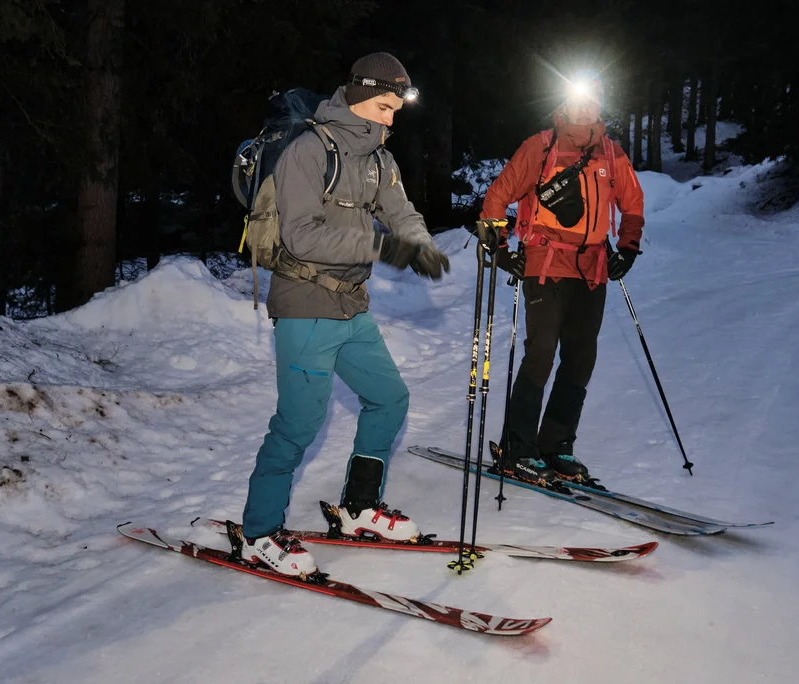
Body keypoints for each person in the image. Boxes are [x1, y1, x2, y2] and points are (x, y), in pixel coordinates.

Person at [240, 53, 450, 577]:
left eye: (396, 109)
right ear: (359, 95)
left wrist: (418, 244)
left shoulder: (379, 158)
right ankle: (258, 534)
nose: (391, 118)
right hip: (306, 304)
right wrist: (381, 248)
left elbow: (401, 213)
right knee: (298, 424)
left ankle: (359, 507)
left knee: (389, 399)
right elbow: (301, 235)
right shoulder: (310, 151)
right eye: (384, 106)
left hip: (351, 305)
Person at [475, 72, 645, 491]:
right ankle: (518, 448)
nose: (585, 108)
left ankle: (555, 445)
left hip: (593, 267)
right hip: (545, 261)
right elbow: (498, 195)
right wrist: (498, 247)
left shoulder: (611, 153)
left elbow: (633, 202)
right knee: (541, 352)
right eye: (577, 100)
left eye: (593, 100)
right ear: (564, 105)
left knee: (581, 357)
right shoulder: (541, 147)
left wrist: (628, 246)